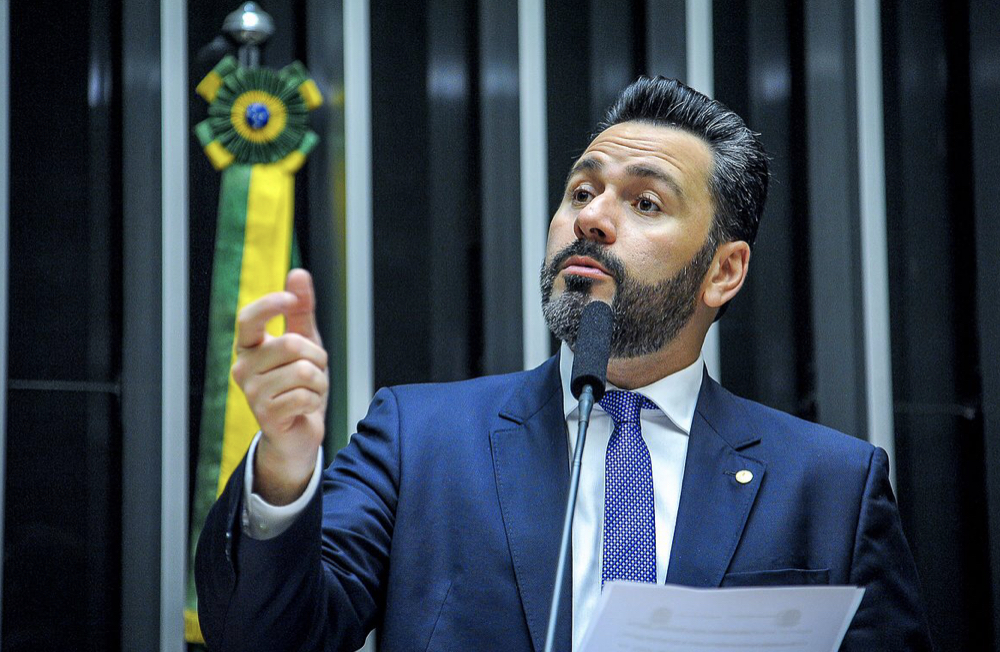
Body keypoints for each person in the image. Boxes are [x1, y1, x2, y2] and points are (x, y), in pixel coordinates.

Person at [196, 77, 932, 651]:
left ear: (724, 271)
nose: (591, 218)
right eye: (583, 190)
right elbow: (267, 639)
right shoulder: (421, 439)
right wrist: (284, 469)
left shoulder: (832, 486)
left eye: (645, 202)